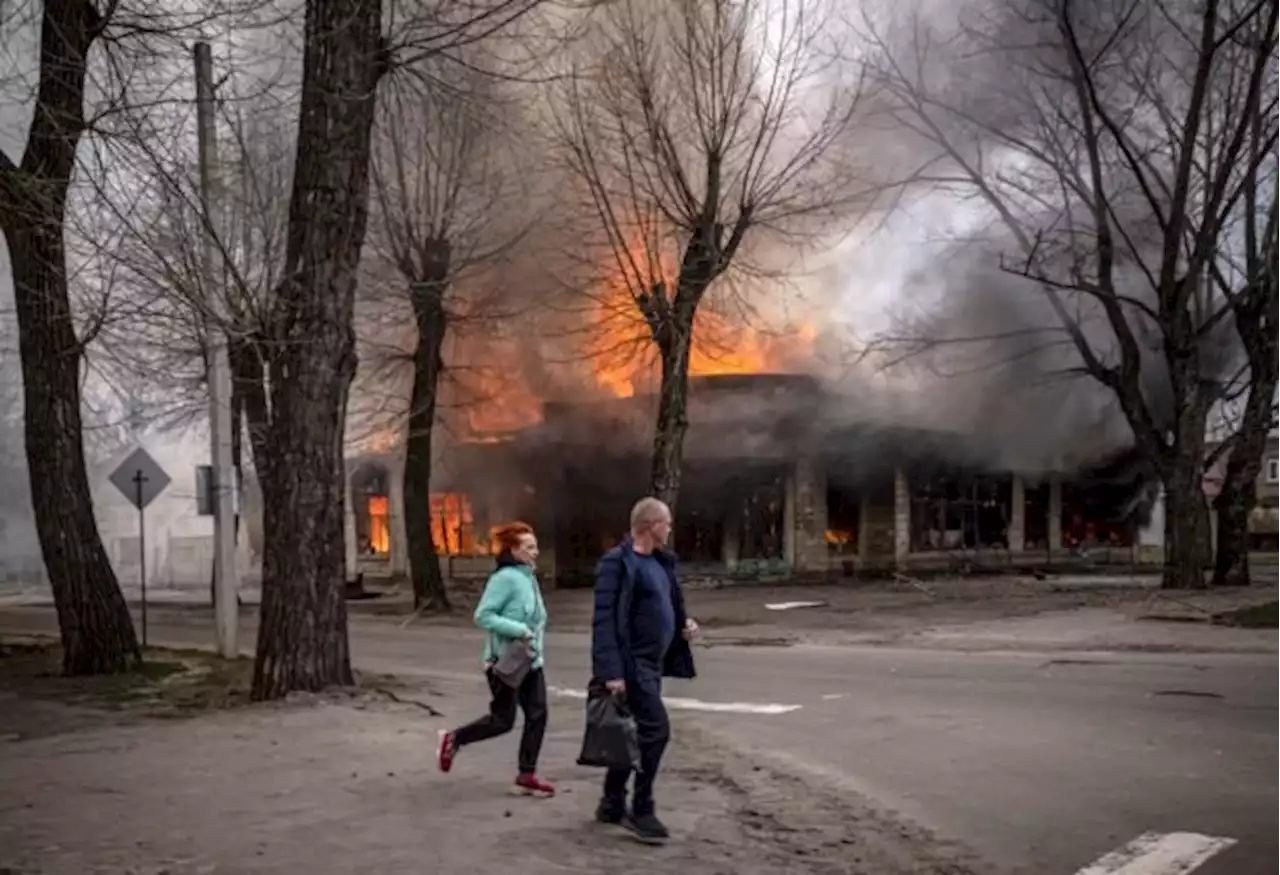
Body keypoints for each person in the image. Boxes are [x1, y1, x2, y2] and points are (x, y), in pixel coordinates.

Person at [591, 496, 699, 843]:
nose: (670, 529)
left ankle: (610, 802)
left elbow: (668, 604)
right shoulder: (617, 563)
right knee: (656, 730)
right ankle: (641, 808)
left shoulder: (661, 562)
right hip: (631, 664)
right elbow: (604, 620)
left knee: (632, 731)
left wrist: (685, 625)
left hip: (653, 665)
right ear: (650, 525)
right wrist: (611, 671)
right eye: (666, 523)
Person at [436, 521, 555, 798]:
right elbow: (483, 615)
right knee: (503, 720)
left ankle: (527, 775)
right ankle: (454, 739)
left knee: (538, 715)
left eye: (535, 546)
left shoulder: (528, 578)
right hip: (504, 663)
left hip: (530, 662)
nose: (535, 552)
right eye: (529, 547)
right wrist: (519, 631)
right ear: (513, 550)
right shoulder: (504, 579)